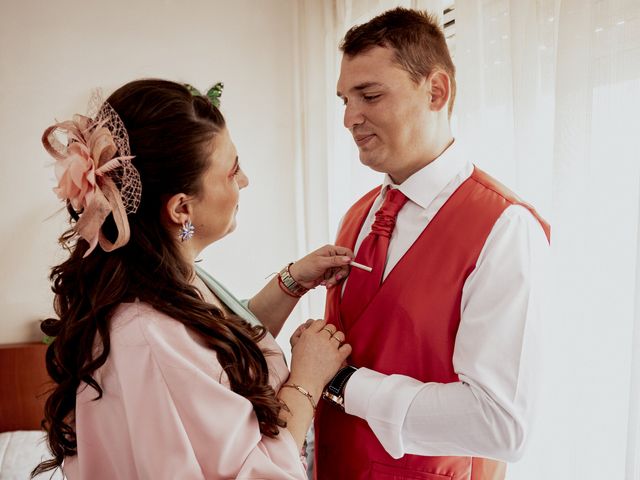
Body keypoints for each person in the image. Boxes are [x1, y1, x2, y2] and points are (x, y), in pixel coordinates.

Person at [32, 79, 354, 479]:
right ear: (182, 208)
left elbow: (218, 352)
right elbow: (255, 472)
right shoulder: (147, 335)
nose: (244, 181)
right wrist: (308, 378)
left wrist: (292, 281)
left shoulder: (160, 279)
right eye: (233, 171)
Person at [311, 8, 551, 480]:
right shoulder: (356, 217)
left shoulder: (506, 227)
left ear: (436, 91)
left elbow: (500, 424)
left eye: (370, 95)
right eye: (344, 99)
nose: (349, 118)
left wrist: (342, 384)